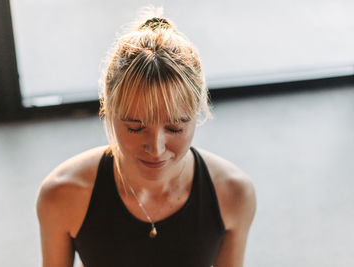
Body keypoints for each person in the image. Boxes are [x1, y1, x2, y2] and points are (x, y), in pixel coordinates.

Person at [36, 7, 256, 267]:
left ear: (197, 114)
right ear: (108, 110)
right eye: (134, 127)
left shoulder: (234, 193)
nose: (156, 148)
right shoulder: (62, 194)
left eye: (175, 128)